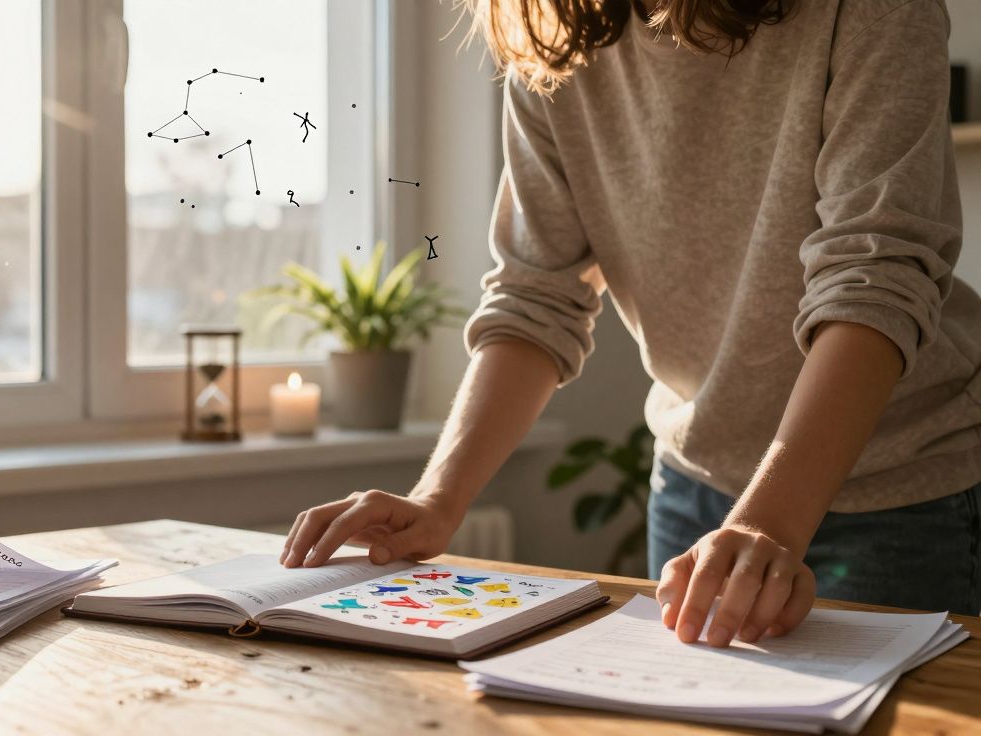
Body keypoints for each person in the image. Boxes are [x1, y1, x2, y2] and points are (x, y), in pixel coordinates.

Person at [281, 0, 981, 648]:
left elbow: (877, 277)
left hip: (907, 493)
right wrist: (436, 500)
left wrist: (768, 522)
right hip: (693, 488)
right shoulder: (555, 39)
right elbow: (534, 299)